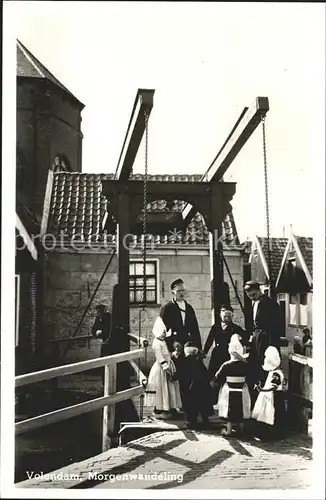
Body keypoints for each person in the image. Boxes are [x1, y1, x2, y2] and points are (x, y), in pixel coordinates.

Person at [244, 281, 282, 388]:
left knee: (265, 365)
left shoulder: (270, 303)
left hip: (266, 339)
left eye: (254, 295)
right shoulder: (255, 303)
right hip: (257, 338)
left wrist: (271, 343)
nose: (252, 297)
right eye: (249, 296)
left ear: (259, 290)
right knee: (254, 367)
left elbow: (275, 325)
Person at [212, 334, 251, 437]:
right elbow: (250, 376)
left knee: (229, 408)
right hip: (242, 389)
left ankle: (228, 430)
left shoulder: (226, 365)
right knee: (242, 408)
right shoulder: (245, 365)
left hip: (229, 389)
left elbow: (217, 377)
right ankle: (242, 429)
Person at [145, 317, 182, 419]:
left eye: (165, 332)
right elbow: (160, 357)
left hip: (168, 363)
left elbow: (165, 354)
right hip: (161, 368)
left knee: (169, 387)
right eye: (162, 332)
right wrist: (166, 368)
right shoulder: (157, 343)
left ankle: (169, 407)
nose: (164, 334)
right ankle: (160, 408)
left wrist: (172, 355)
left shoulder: (163, 341)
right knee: (161, 388)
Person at [203, 304, 250, 378]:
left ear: (232, 316)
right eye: (225, 316)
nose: (227, 318)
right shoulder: (216, 327)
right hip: (217, 353)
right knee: (214, 375)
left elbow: (246, 337)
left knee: (226, 374)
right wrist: (205, 352)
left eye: (229, 317)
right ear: (220, 315)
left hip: (228, 354)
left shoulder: (235, 328)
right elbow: (209, 340)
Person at [251, 346, 286, 440]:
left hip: (275, 397)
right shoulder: (277, 372)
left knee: (271, 415)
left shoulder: (275, 374)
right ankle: (275, 434)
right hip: (276, 396)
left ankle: (269, 435)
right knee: (274, 416)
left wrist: (262, 390)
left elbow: (273, 387)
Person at [160, 278, 202, 352]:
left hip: (188, 347)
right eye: (179, 291)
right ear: (173, 292)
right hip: (174, 347)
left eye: (183, 291)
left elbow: (195, 329)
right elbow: (162, 330)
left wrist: (199, 347)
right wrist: (172, 342)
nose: (181, 293)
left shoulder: (189, 308)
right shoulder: (167, 309)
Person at [180, 341, 214, 429]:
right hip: (202, 388)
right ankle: (205, 419)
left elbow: (180, 375)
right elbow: (206, 374)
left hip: (190, 389)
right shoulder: (198, 361)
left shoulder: (184, 362)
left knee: (190, 406)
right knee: (203, 405)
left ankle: (191, 421)